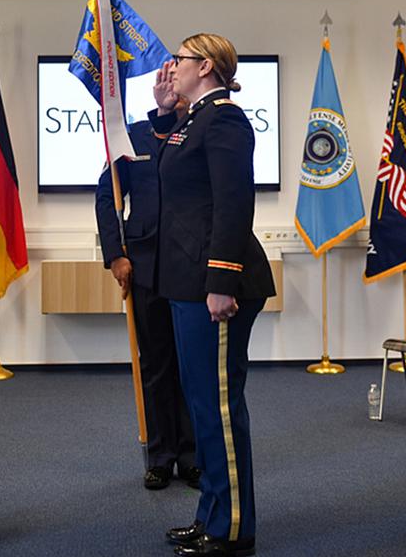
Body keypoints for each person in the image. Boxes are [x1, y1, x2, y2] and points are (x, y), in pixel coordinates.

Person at [151, 34, 275, 557]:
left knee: (219, 408)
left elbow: (232, 204)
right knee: (202, 405)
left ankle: (231, 530)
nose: (170, 67)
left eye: (178, 60)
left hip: (215, 286)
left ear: (205, 66)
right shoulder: (195, 117)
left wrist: (222, 280)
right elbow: (175, 174)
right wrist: (163, 115)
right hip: (187, 282)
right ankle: (211, 515)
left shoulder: (224, 119)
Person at [95, 101, 200, 491]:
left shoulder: (197, 130)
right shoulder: (131, 137)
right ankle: (160, 456)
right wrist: (115, 255)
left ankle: (191, 456)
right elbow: (106, 197)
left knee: (189, 363)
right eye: (164, 82)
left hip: (189, 263)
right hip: (143, 265)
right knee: (155, 363)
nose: (171, 90)